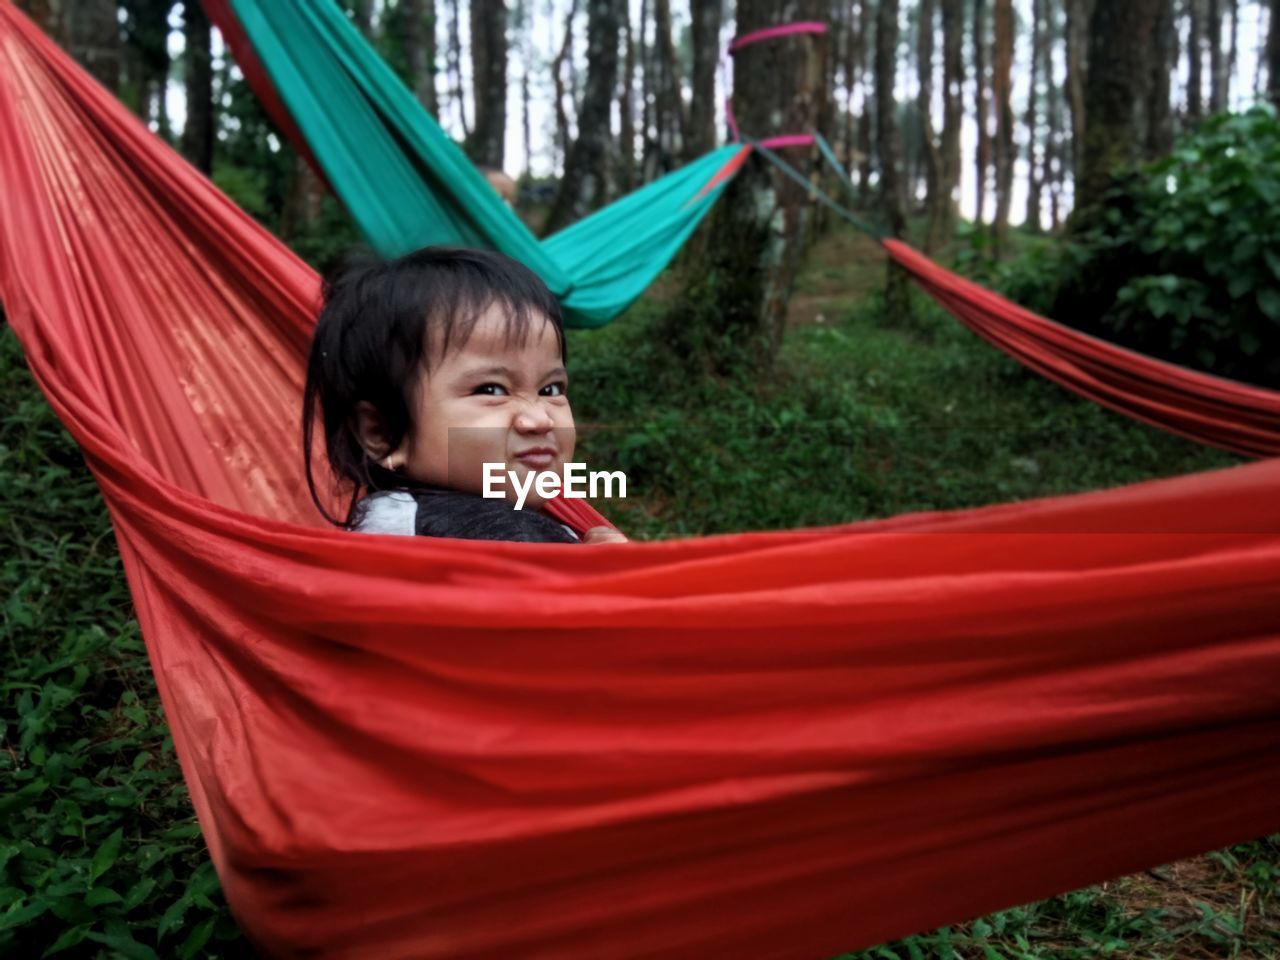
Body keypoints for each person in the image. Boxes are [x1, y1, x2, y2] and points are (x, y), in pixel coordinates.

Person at [302, 246, 627, 544]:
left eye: (550, 389)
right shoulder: (485, 536)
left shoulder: (403, 522)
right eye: (491, 389)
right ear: (382, 433)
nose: (539, 419)